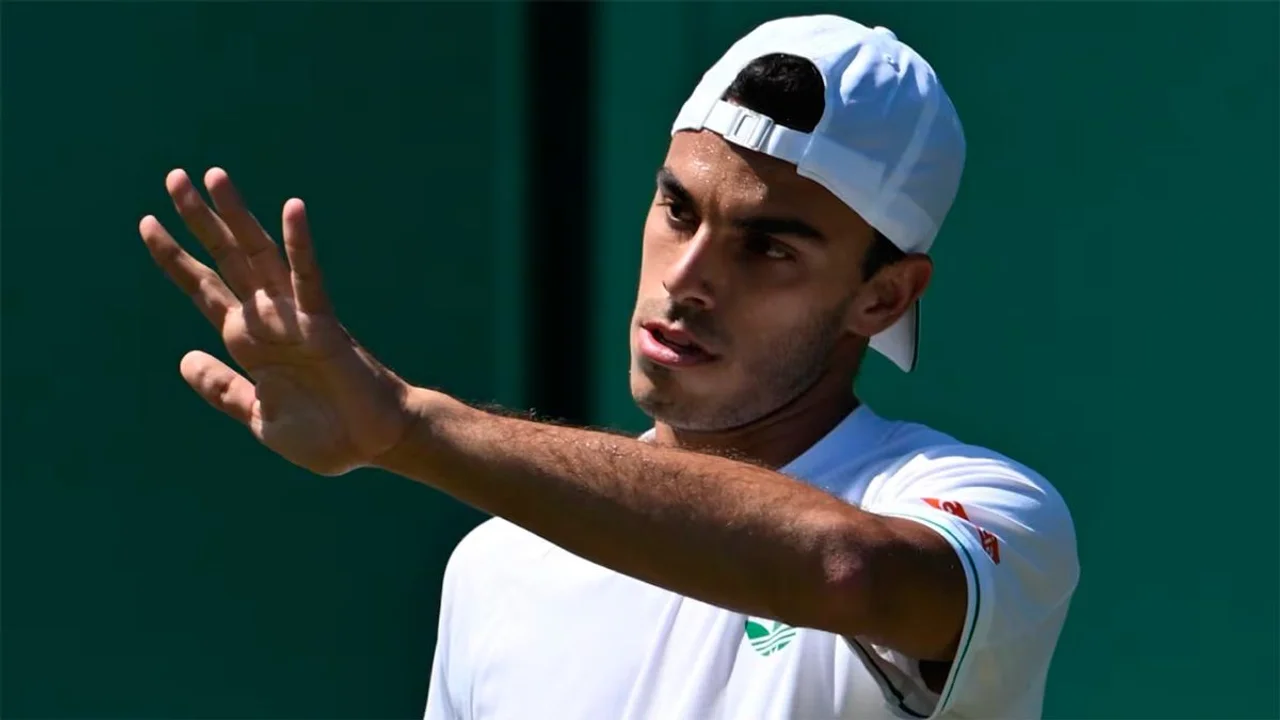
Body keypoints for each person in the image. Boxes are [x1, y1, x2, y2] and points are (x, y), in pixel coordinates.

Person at [138, 14, 1079, 720]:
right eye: (678, 209)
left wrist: (410, 429)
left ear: (883, 297)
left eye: (768, 247)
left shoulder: (987, 509)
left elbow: (845, 572)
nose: (688, 277)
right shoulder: (496, 566)